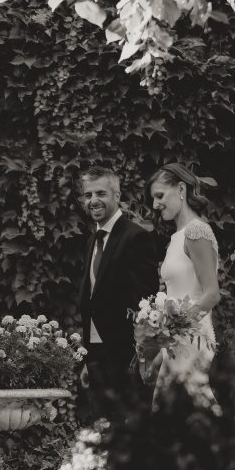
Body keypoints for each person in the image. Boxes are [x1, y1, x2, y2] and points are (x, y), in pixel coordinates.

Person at [77, 165, 160, 418]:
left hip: (125, 358)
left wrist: (140, 358)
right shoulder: (93, 240)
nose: (93, 201)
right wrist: (89, 358)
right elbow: (93, 299)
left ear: (117, 195)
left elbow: (146, 302)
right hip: (96, 355)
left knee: (128, 431)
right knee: (101, 432)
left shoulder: (136, 237)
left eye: (101, 193)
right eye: (88, 195)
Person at [146, 162, 221, 390]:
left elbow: (211, 295)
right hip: (178, 341)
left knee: (190, 410)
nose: (155, 204)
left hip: (193, 339)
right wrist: (160, 355)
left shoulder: (196, 231)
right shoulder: (176, 238)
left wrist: (172, 332)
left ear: (181, 189)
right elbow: (178, 296)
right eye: (153, 199)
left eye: (160, 196)